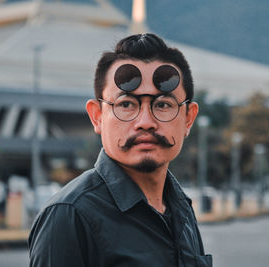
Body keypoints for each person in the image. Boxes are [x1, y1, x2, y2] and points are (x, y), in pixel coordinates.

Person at [28, 33, 212, 267]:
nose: (146, 121)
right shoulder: (69, 216)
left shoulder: (180, 207)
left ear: (188, 118)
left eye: (163, 104)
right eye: (126, 104)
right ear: (97, 116)